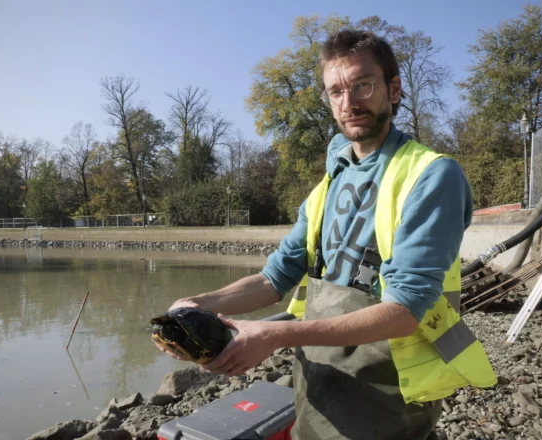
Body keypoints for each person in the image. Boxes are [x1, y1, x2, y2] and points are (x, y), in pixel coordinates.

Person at [157, 29, 497, 440]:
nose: (348, 103)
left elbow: (406, 311)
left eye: (362, 85)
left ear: (394, 89)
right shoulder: (328, 184)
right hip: (318, 382)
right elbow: (272, 279)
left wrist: (274, 336)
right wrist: (198, 303)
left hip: (390, 397)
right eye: (335, 91)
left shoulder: (431, 175)